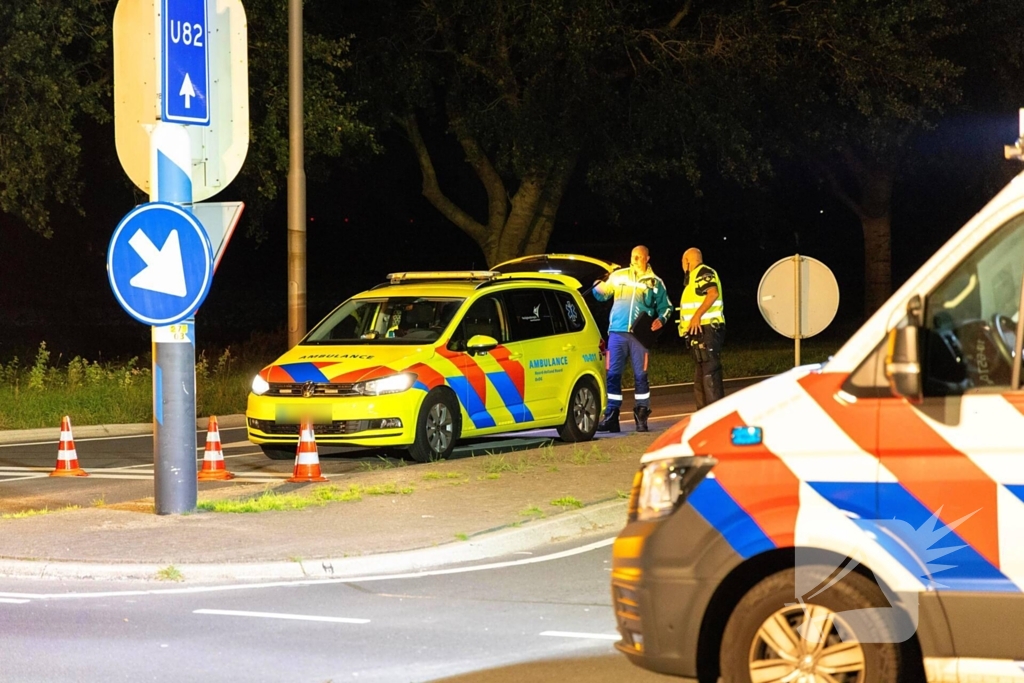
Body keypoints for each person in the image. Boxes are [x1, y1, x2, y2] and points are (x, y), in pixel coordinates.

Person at [593, 245, 673, 432]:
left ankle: (642, 415)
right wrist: (597, 287)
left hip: (640, 336)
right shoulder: (619, 275)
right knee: (612, 375)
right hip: (616, 333)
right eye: (633, 256)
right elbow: (603, 295)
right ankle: (612, 416)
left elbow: (667, 307)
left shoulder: (655, 282)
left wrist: (661, 320)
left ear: (647, 258)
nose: (635, 260)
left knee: (641, 377)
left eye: (639, 257)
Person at [679, 247, 726, 408]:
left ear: (686, 261)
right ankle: (703, 416)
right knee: (701, 377)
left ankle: (715, 416)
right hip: (699, 333)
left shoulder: (702, 272)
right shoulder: (693, 279)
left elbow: (713, 293)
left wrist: (697, 316)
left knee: (709, 374)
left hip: (707, 331)